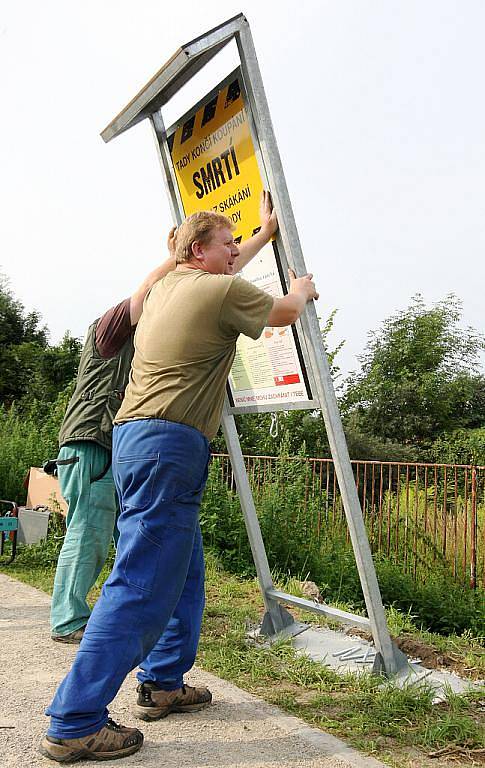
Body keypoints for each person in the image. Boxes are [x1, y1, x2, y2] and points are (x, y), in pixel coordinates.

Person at [41, 200, 318, 763]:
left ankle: (164, 682)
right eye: (228, 242)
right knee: (140, 584)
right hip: (169, 446)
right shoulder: (217, 291)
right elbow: (284, 311)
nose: (236, 249)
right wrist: (304, 288)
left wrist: (262, 232)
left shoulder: (171, 287)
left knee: (186, 573)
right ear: (198, 252)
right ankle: (74, 720)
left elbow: (224, 272)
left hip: (140, 442)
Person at [50, 230, 178, 643]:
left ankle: (92, 613)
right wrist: (175, 258)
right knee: (86, 533)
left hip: (101, 447)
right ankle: (68, 620)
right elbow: (142, 293)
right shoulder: (108, 332)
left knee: (98, 534)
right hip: (89, 446)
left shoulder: (132, 350)